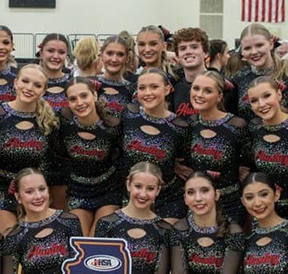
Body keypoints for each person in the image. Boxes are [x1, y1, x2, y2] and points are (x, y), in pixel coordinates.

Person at [0, 64, 58, 235]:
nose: (29, 88)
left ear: (44, 91)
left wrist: (44, 193)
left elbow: (52, 162)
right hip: (1, 190)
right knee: (8, 242)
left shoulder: (49, 121)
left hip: (35, 193)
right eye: (25, 81)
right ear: (16, 83)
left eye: (37, 85)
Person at [121, 68, 189, 222]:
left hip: (168, 198)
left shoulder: (180, 126)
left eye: (154, 87)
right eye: (142, 88)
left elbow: (184, 160)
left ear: (167, 90)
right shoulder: (128, 114)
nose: (148, 93)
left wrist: (171, 163)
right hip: (132, 195)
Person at [183, 72, 250, 224]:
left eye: (208, 91)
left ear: (219, 96)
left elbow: (248, 161)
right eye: (196, 89)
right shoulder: (188, 124)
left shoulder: (237, 126)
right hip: (197, 203)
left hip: (230, 203)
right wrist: (176, 167)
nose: (199, 95)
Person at [59, 77, 122, 235]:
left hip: (108, 190)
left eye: (84, 96)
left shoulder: (113, 126)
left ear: (94, 95)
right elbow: (57, 157)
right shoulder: (64, 125)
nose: (79, 103)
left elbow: (125, 158)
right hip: (78, 192)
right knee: (78, 238)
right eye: (73, 99)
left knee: (98, 237)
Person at [247, 76, 288, 225]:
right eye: (254, 101)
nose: (261, 104)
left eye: (266, 96)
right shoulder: (253, 128)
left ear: (279, 94)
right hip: (265, 213)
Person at [233, 24, 288, 122]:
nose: (254, 52)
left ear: (270, 44)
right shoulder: (238, 78)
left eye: (259, 45)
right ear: (242, 52)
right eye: (247, 48)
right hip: (249, 136)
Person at [37, 33, 71, 210]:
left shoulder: (73, 83)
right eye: (50, 50)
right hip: (34, 158)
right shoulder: (32, 82)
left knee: (59, 215)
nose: (56, 56)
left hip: (64, 161)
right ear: (41, 51)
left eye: (61, 52)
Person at [95, 35, 137, 118]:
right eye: (109, 53)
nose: (114, 59)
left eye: (120, 54)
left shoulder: (132, 90)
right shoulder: (91, 84)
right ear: (101, 55)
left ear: (127, 58)